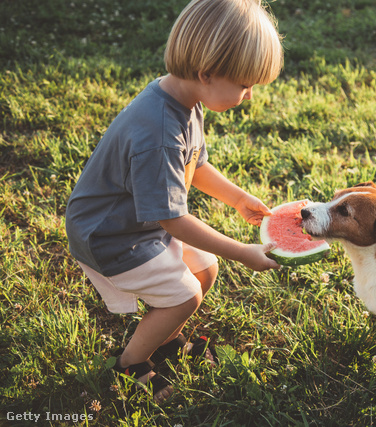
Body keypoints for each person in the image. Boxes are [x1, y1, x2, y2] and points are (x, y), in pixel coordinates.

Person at [65, 0, 283, 402]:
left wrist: (237, 199)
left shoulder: (183, 98)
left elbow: (196, 165)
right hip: (109, 236)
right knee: (186, 294)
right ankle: (131, 364)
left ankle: (167, 335)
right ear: (207, 74)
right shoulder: (160, 131)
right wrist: (244, 252)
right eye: (245, 85)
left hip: (137, 223)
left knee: (205, 270)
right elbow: (173, 220)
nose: (249, 95)